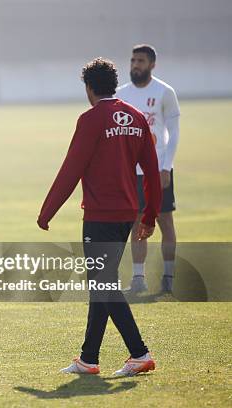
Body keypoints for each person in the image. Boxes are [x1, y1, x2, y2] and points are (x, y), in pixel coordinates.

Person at [38, 58, 161, 376]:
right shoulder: (136, 117)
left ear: (89, 88)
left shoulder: (91, 119)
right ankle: (88, 359)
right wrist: (149, 215)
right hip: (126, 215)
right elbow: (151, 169)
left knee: (103, 283)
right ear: (114, 84)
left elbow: (72, 168)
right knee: (101, 284)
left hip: (100, 216)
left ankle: (139, 353)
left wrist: (47, 211)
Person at [116, 44, 181, 293]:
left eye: (141, 61)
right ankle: (139, 278)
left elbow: (173, 133)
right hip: (132, 172)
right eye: (133, 60)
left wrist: (166, 167)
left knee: (165, 221)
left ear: (152, 64)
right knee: (136, 222)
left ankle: (168, 277)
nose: (135, 65)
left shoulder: (164, 92)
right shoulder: (121, 94)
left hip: (158, 170)